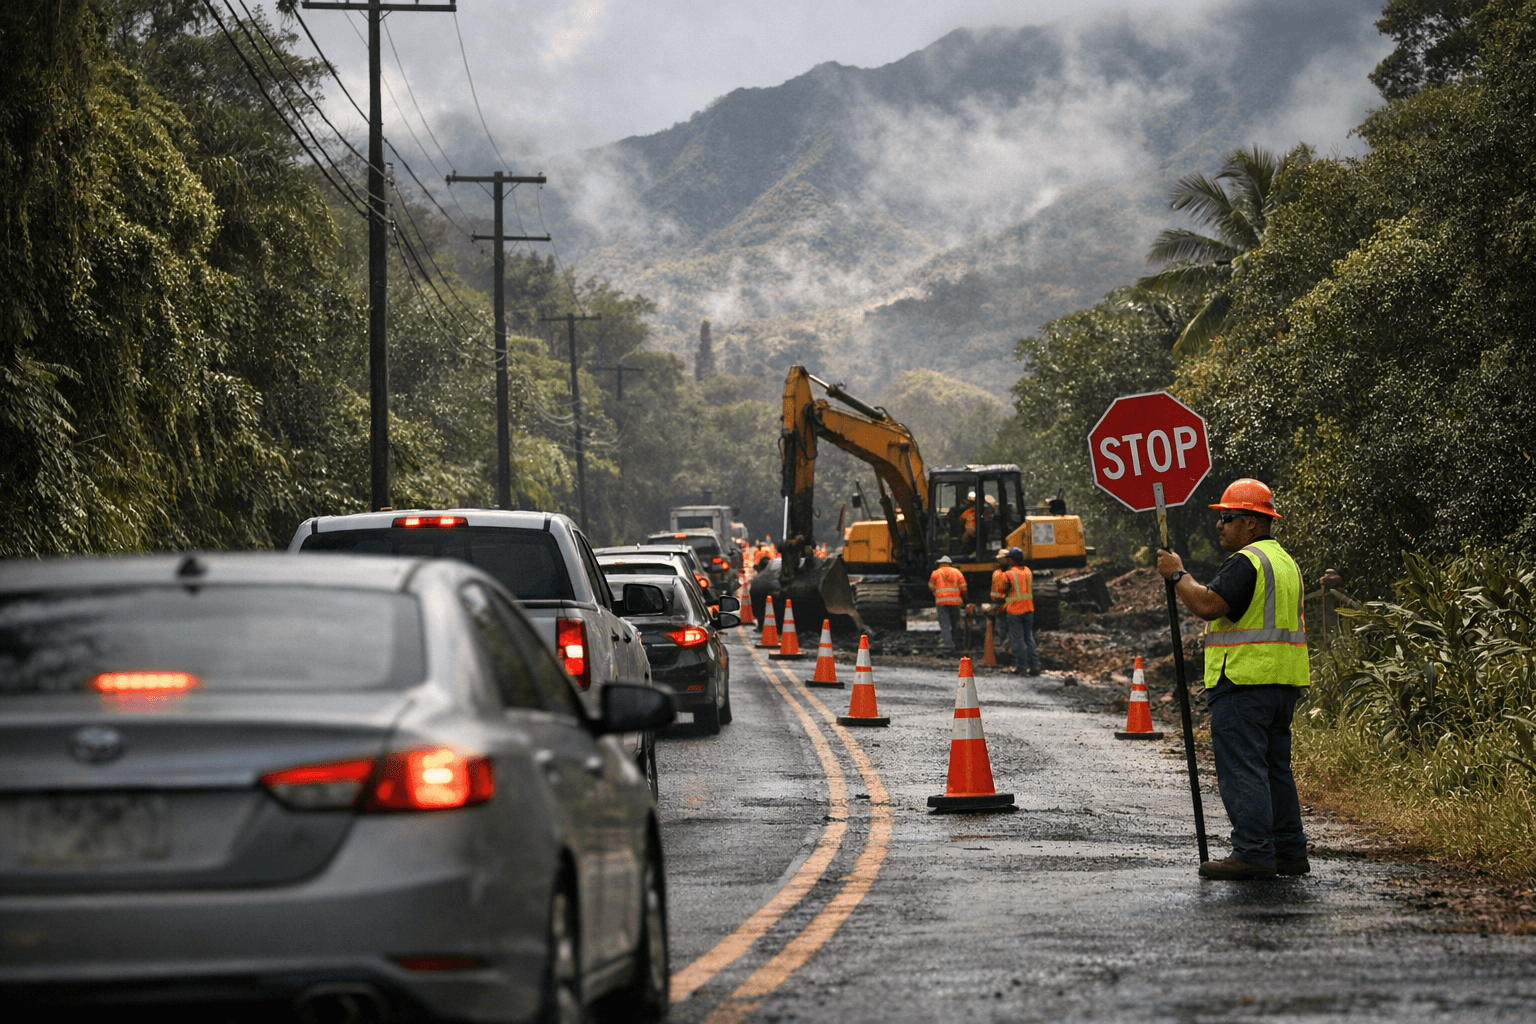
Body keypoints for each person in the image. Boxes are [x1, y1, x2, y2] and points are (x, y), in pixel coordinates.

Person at [1157, 477, 1310, 881]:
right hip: (1282, 683)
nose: (1220, 524)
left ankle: (1254, 853)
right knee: (1276, 769)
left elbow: (1209, 604)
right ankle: (1289, 851)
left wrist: (1177, 576)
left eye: (1228, 517)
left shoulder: (1248, 561)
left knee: (1243, 770)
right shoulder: (1285, 562)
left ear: (1254, 523)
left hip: (1244, 681)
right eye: (1220, 517)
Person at [991, 546, 1039, 675]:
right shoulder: (1028, 571)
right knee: (1029, 638)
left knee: (1018, 640)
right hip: (1029, 609)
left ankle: (1021, 668)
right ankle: (1034, 666)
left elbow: (1000, 593)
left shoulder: (1008, 574)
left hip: (1015, 610)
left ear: (1011, 560)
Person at [927, 555, 967, 652]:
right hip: (955, 601)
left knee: (945, 624)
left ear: (940, 563)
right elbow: (964, 588)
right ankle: (958, 643)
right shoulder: (957, 572)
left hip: (941, 602)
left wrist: (936, 593)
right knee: (956, 622)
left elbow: (930, 586)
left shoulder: (935, 573)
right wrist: (962, 597)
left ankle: (948, 644)